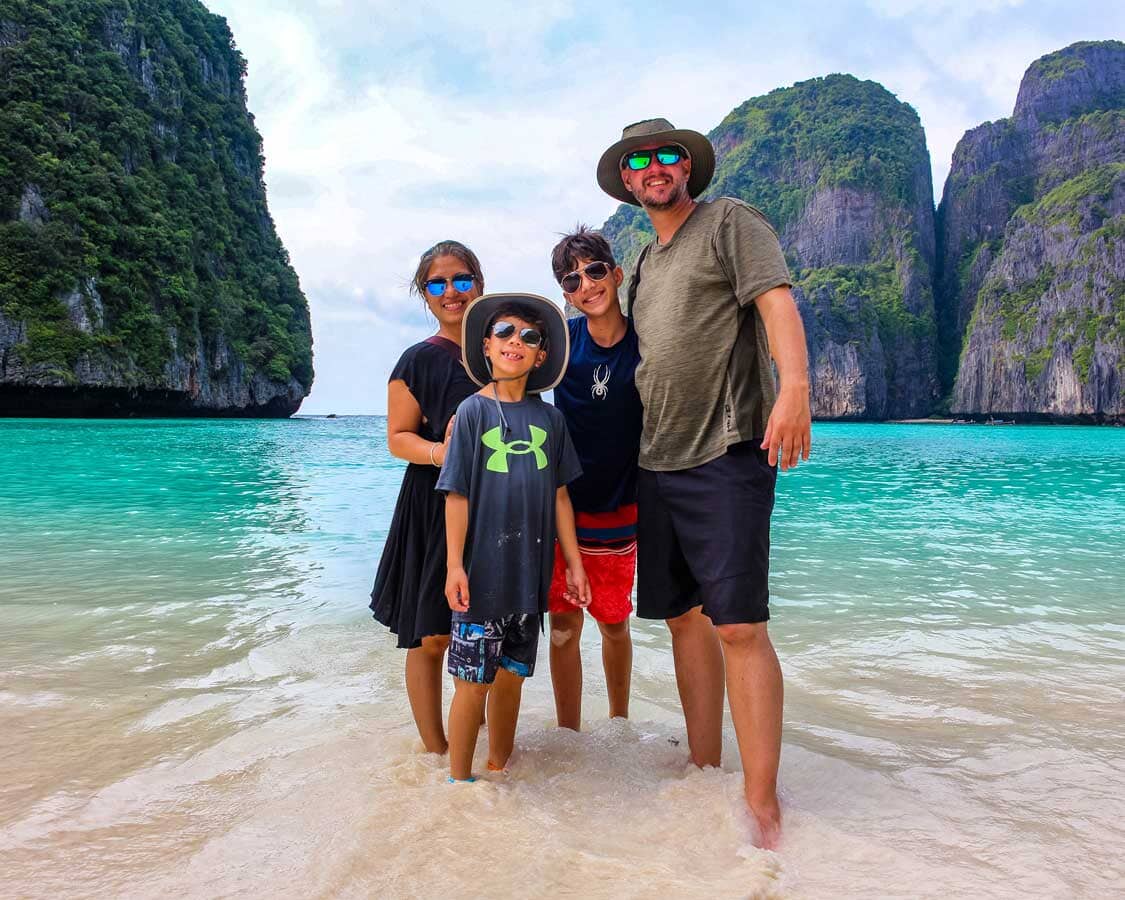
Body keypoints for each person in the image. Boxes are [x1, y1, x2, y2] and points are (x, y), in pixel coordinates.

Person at [596, 119, 812, 848]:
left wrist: (795, 390)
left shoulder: (729, 222)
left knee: (739, 625)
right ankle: (702, 763)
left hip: (724, 452)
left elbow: (774, 301)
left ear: (686, 166)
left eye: (666, 156)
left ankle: (762, 803)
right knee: (684, 617)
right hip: (656, 461)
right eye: (639, 161)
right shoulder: (645, 262)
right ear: (625, 181)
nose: (654, 168)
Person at [438, 293, 591, 782]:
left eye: (528, 337)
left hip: (529, 577)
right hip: (481, 578)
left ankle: (498, 770)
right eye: (504, 333)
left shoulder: (551, 420)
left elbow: (560, 497)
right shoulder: (471, 414)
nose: (515, 343)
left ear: (541, 355)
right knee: (472, 684)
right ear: (486, 344)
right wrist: (454, 566)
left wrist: (576, 564)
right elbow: (456, 495)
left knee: (512, 678)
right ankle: (458, 783)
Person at [369, 241, 483, 754]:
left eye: (461, 279)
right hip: (433, 499)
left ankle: (481, 737)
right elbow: (398, 437)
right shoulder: (417, 360)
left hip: (497, 503)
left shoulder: (505, 350)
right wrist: (444, 451)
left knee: (489, 629)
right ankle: (435, 750)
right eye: (438, 283)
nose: (452, 292)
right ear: (424, 293)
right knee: (431, 634)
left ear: (479, 283)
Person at [545, 227, 642, 730]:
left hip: (623, 508)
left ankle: (620, 724)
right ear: (565, 294)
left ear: (617, 273)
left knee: (614, 623)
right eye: (572, 279)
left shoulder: (648, 342)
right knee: (562, 627)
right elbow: (505, 375)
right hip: (564, 507)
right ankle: (568, 733)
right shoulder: (560, 345)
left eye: (595, 270)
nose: (586, 284)